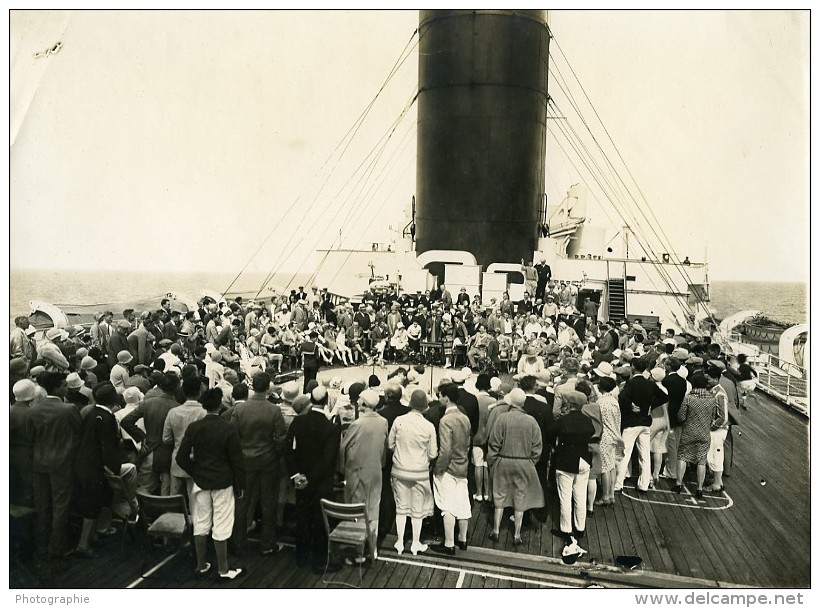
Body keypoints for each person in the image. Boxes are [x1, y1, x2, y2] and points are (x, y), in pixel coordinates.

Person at [177, 388, 246, 581]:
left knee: (201, 523)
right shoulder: (228, 428)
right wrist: (240, 485)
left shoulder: (194, 427)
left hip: (201, 481)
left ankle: (201, 565)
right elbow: (236, 461)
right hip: (223, 482)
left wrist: (196, 471)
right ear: (220, 405)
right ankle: (223, 569)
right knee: (222, 524)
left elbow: (181, 457)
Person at [72, 383, 138, 558]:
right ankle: (83, 545)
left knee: (92, 502)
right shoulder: (108, 418)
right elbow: (108, 449)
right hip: (95, 467)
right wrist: (114, 469)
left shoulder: (90, 413)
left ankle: (92, 536)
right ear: (113, 399)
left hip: (83, 463)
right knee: (92, 505)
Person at [285, 385, 342, 573]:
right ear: (326, 401)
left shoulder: (298, 422)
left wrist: (296, 475)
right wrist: (309, 477)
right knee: (319, 520)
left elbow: (289, 451)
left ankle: (301, 556)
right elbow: (328, 459)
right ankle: (318, 561)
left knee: (302, 516)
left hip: (301, 480)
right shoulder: (331, 428)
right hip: (319, 482)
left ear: (311, 399)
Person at [230, 372, 287, 557]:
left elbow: (233, 437)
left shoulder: (240, 409)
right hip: (268, 461)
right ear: (268, 387)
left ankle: (238, 544)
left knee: (242, 503)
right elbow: (280, 438)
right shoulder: (274, 410)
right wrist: (273, 452)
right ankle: (267, 544)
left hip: (245, 461)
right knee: (268, 502)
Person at [29, 372, 82, 559]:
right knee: (60, 506)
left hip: (39, 462)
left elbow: (31, 437)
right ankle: (57, 547)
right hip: (62, 463)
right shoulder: (69, 409)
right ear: (58, 388)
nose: (67, 388)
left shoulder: (34, 409)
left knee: (42, 505)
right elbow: (79, 433)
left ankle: (41, 546)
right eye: (65, 385)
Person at [486, 388, 543, 545]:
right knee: (520, 497)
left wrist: (493, 461)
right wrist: (531, 462)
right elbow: (537, 446)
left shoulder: (502, 418)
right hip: (524, 463)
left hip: (503, 461)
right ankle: (517, 534)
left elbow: (494, 442)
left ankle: (496, 530)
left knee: (500, 495)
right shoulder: (531, 421)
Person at [339, 389, 387, 561]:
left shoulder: (357, 424)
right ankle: (372, 548)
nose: (358, 402)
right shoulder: (383, 421)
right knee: (373, 510)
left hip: (358, 472)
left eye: (360, 400)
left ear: (365, 404)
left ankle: (359, 551)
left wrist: (341, 470)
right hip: (375, 471)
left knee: (358, 513)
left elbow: (344, 447)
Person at [388, 389, 438, 556]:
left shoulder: (399, 421)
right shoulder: (429, 426)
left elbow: (390, 445)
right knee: (417, 510)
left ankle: (400, 542)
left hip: (399, 470)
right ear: (424, 407)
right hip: (419, 472)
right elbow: (433, 454)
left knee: (401, 508)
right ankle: (416, 543)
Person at [121, 372, 182, 495]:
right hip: (169, 453)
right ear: (176, 388)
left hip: (149, 450)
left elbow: (126, 421)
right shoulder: (177, 407)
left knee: (144, 490)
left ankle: (142, 513)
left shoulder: (148, 403)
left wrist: (142, 437)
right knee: (166, 491)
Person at [550, 390, 596, 549]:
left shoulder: (564, 420)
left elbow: (551, 431)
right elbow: (592, 433)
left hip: (567, 459)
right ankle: (580, 528)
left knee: (565, 497)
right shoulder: (587, 420)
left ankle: (566, 529)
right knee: (580, 495)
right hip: (584, 459)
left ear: (569, 404)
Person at [431, 382, 472, 556]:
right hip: (463, 465)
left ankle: (449, 544)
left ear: (446, 398)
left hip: (449, 468)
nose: (438, 398)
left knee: (447, 506)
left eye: (440, 396)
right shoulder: (464, 417)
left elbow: (445, 450)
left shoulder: (446, 420)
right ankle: (462, 539)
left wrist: (438, 469)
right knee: (463, 504)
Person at [162, 373, 207, 498]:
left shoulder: (173, 412)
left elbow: (166, 439)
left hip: (177, 460)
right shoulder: (204, 413)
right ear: (199, 392)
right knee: (195, 503)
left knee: (173, 498)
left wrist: (178, 442)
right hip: (196, 463)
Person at [674, 373, 717, 499]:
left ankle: (678, 484)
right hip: (704, 433)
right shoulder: (712, 399)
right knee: (701, 460)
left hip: (688, 432)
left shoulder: (688, 398)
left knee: (682, 456)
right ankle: (699, 489)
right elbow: (713, 417)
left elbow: (681, 416)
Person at [594, 376, 622, 506]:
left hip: (604, 436)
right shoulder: (614, 401)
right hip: (614, 435)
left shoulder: (600, 402)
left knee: (604, 468)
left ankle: (605, 497)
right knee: (611, 467)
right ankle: (611, 495)